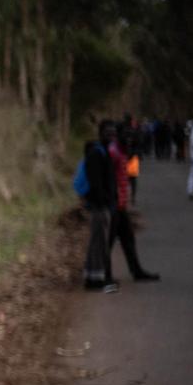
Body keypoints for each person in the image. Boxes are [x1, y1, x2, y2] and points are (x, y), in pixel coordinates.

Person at [106, 123, 159, 283]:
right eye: (126, 136)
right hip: (113, 206)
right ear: (118, 136)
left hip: (121, 206)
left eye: (131, 136)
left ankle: (137, 271)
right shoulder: (114, 153)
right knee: (108, 242)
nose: (129, 139)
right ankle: (106, 276)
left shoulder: (122, 153)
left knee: (128, 239)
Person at [82, 122, 116, 292]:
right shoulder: (97, 153)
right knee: (99, 243)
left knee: (96, 241)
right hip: (98, 206)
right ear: (101, 133)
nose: (111, 136)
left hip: (99, 205)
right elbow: (97, 182)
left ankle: (92, 277)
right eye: (108, 133)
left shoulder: (102, 151)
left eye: (113, 134)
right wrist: (104, 201)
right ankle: (97, 279)